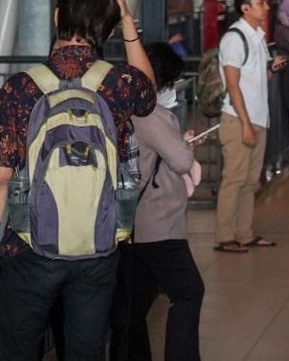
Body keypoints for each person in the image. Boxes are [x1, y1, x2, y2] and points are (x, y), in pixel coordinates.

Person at [0, 0, 156, 360]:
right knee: (86, 350)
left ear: (57, 16)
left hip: (28, 245)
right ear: (109, 28)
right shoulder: (118, 84)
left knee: (18, 350)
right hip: (99, 241)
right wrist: (129, 22)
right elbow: (148, 93)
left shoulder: (21, 87)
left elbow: (0, 179)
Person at [110, 43, 204, 361]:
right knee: (189, 291)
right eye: (171, 81)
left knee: (131, 306)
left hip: (132, 222)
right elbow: (180, 160)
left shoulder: (122, 108)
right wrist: (184, 146)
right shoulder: (149, 113)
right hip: (157, 223)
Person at [214, 0, 288, 254]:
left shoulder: (256, 36)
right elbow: (233, 85)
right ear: (245, 8)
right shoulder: (235, 39)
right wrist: (245, 124)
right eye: (260, 3)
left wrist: (271, 69)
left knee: (250, 182)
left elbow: (255, 79)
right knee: (234, 179)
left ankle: (244, 233)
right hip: (238, 119)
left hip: (257, 118)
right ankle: (225, 236)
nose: (266, 7)